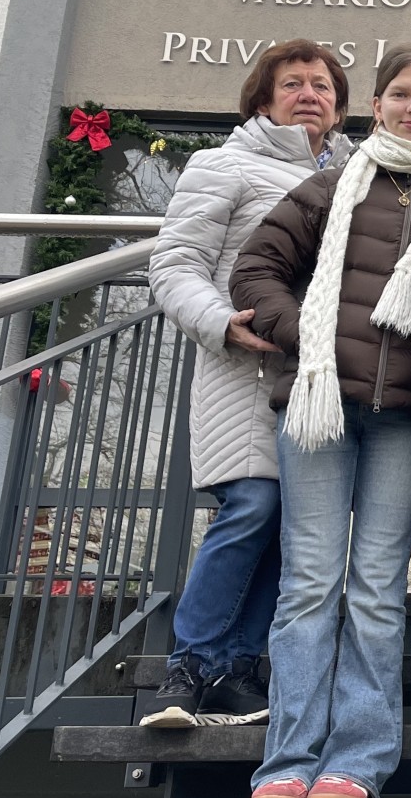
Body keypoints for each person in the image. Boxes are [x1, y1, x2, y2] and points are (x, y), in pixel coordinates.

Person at [229, 45, 411, 798]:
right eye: (402, 94)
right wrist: (307, 332)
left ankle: (356, 763)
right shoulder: (332, 186)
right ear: (377, 103)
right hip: (318, 409)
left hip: (406, 417)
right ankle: (287, 762)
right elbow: (255, 268)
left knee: (373, 588)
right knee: (307, 585)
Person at [143, 41, 353, 728]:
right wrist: (219, 323)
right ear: (262, 99)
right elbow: (175, 264)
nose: (309, 95)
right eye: (292, 84)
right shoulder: (223, 165)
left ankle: (238, 668)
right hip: (242, 368)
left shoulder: (355, 174)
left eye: (322, 86)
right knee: (254, 506)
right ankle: (187, 665)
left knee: (294, 524)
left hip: (319, 377)